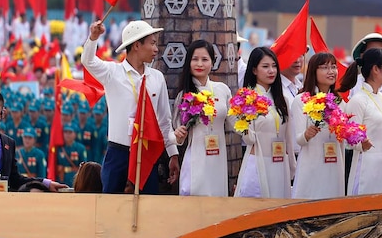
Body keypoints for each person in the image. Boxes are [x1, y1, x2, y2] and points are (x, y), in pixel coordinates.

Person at [81, 19, 179, 194]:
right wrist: (93, 37)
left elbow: (164, 120)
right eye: (152, 43)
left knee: (148, 208)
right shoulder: (113, 73)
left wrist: (173, 154)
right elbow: (88, 62)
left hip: (146, 153)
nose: (156, 49)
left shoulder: (156, 78)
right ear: (136, 46)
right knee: (111, 206)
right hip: (119, 153)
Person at [172, 40, 234, 197]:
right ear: (188, 62)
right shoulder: (185, 95)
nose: (199, 64)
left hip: (218, 159)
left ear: (213, 62)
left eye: (205, 59)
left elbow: (235, 125)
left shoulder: (222, 90)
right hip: (196, 159)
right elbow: (178, 137)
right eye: (195, 59)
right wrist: (178, 135)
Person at [234, 47, 294, 198]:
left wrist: (292, 166)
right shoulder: (246, 99)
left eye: (274, 66)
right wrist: (246, 128)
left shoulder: (282, 100)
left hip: (280, 164)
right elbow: (248, 138)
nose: (271, 71)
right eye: (265, 66)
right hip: (258, 162)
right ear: (254, 70)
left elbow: (288, 137)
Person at [344, 48, 382, 195]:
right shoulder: (358, 101)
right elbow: (348, 139)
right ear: (376, 69)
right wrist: (360, 144)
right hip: (366, 168)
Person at [290, 51, 345, 199]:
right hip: (312, 165)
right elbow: (299, 140)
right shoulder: (302, 100)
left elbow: (343, 140)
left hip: (335, 165)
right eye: (325, 67)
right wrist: (307, 134)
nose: (331, 71)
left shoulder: (340, 102)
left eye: (333, 67)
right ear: (314, 71)